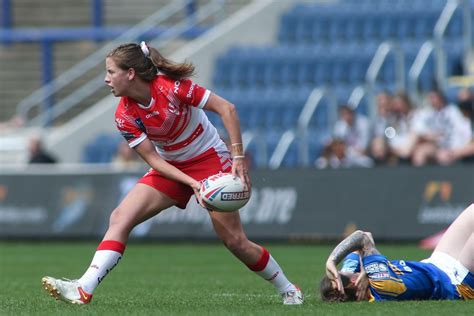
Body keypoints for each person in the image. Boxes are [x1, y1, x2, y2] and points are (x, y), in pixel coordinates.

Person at [41, 42, 303, 305]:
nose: (106, 79)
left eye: (111, 72)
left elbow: (228, 109)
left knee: (235, 242)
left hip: (210, 160)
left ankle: (289, 289)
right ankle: (83, 288)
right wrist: (191, 183)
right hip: (171, 166)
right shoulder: (124, 114)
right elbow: (153, 159)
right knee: (120, 217)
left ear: (130, 73)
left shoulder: (172, 87)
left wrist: (237, 157)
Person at [319, 203, 474, 302]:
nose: (346, 269)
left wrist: (364, 268)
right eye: (343, 272)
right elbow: (363, 238)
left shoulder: (357, 276)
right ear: (353, 282)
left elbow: (364, 238)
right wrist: (332, 260)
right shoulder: (381, 285)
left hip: (437, 263)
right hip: (457, 283)